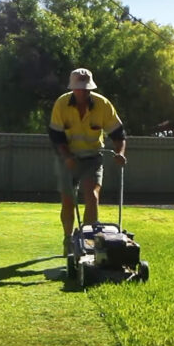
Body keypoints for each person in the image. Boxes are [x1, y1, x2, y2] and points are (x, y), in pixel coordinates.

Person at [48, 68, 127, 255]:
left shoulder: (103, 105)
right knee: (68, 201)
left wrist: (120, 153)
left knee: (92, 196)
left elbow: (118, 134)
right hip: (67, 157)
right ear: (73, 88)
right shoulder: (61, 104)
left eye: (86, 88)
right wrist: (67, 157)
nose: (83, 92)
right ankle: (68, 239)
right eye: (79, 88)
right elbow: (56, 135)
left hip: (92, 158)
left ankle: (89, 242)